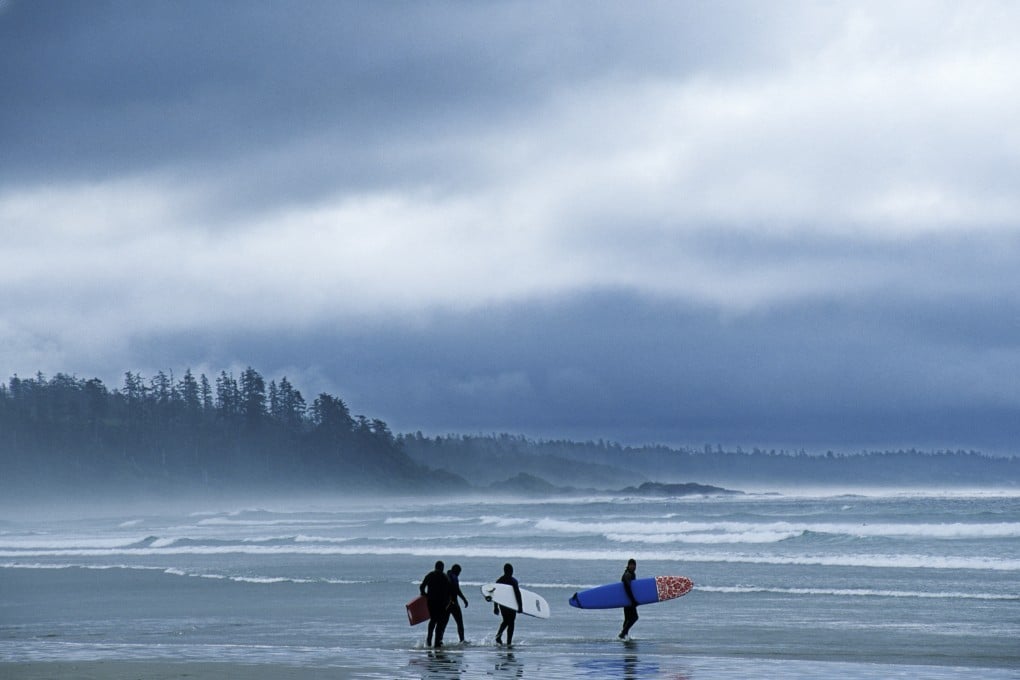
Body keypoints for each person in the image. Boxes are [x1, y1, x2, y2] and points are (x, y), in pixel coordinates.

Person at [420, 560, 453, 647]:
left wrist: (424, 595)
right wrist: (448, 602)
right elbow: (450, 592)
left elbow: (422, 587)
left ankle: (429, 639)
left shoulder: (430, 575)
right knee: (439, 622)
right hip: (441, 603)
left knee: (433, 620)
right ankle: (437, 642)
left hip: (431, 602)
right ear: (442, 568)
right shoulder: (444, 577)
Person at [493, 562, 523, 646]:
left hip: (502, 604)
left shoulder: (499, 580)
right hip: (511, 604)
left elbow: (495, 595)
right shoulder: (513, 581)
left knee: (506, 620)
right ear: (511, 571)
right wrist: (520, 606)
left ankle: (498, 636)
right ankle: (508, 642)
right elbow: (517, 594)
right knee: (511, 622)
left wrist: (495, 607)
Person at [446, 563, 469, 643]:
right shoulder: (453, 577)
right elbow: (456, 589)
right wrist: (464, 599)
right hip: (453, 604)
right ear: (456, 571)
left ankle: (439, 640)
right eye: (459, 572)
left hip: (446, 604)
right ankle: (462, 640)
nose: (459, 574)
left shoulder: (447, 576)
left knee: (443, 623)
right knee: (460, 623)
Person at [619, 558, 639, 640]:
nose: (633, 567)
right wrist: (633, 600)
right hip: (628, 600)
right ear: (628, 565)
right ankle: (623, 633)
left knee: (627, 618)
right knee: (634, 617)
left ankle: (624, 635)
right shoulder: (628, 574)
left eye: (634, 565)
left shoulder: (632, 574)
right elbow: (628, 588)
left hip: (626, 600)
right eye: (632, 565)